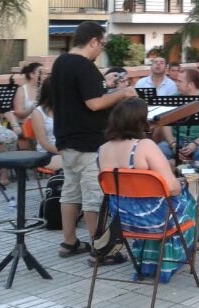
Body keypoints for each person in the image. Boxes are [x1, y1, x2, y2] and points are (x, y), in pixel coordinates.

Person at [51, 21, 137, 264]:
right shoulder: (84, 66)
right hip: (87, 141)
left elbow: (79, 97)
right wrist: (124, 93)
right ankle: (100, 249)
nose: (101, 50)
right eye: (102, 44)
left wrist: (107, 88)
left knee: (70, 192)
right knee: (93, 196)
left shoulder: (60, 62)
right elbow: (94, 103)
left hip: (66, 138)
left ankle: (69, 242)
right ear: (94, 41)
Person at [97, 97, 194, 283]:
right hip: (156, 222)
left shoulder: (102, 150)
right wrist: (182, 182)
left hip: (123, 222)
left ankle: (147, 264)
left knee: (153, 202)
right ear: (140, 121)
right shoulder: (144, 146)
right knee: (193, 202)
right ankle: (166, 265)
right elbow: (172, 188)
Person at [158, 69, 199, 161]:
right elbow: (166, 125)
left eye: (179, 81)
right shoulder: (173, 98)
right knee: (160, 149)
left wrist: (195, 144)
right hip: (177, 140)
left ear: (190, 85)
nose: (176, 84)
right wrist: (173, 145)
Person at [31, 77, 62, 170]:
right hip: (47, 152)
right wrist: (63, 152)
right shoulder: (38, 112)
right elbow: (43, 142)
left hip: (66, 150)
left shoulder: (64, 109)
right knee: (73, 164)